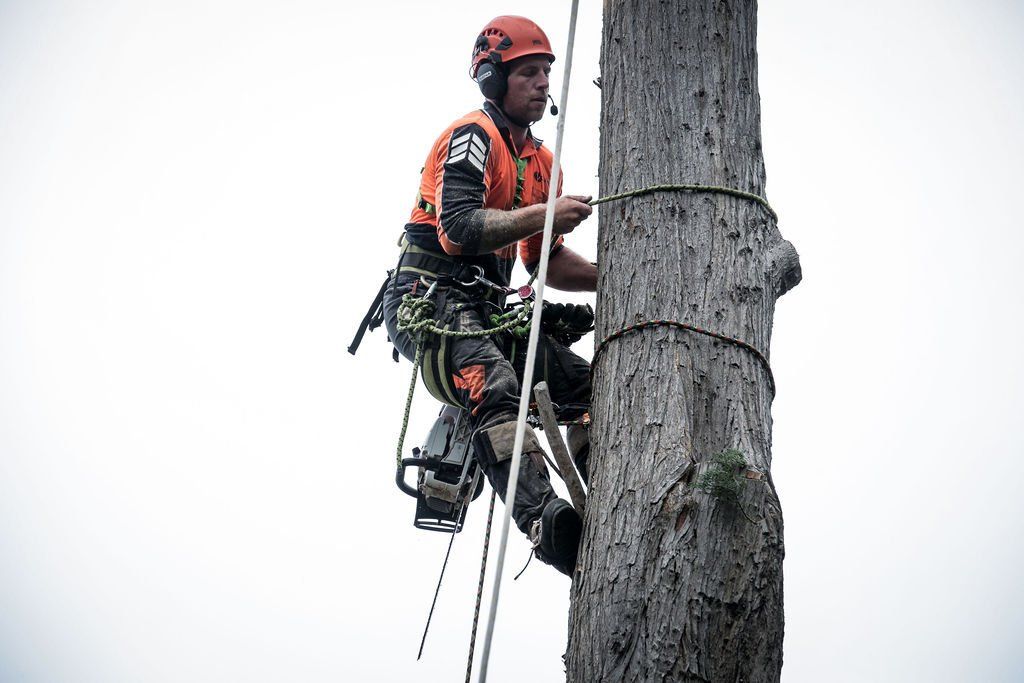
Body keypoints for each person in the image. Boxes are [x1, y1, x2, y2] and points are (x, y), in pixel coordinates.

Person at [383, 16, 597, 576]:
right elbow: (457, 229)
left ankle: (601, 475)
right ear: (492, 78)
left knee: (587, 384)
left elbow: (542, 261)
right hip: (428, 300)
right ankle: (542, 519)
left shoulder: (541, 164)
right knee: (497, 383)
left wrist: (612, 277)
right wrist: (546, 214)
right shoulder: (472, 137)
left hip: (486, 311)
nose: (542, 83)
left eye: (546, 72)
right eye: (528, 72)